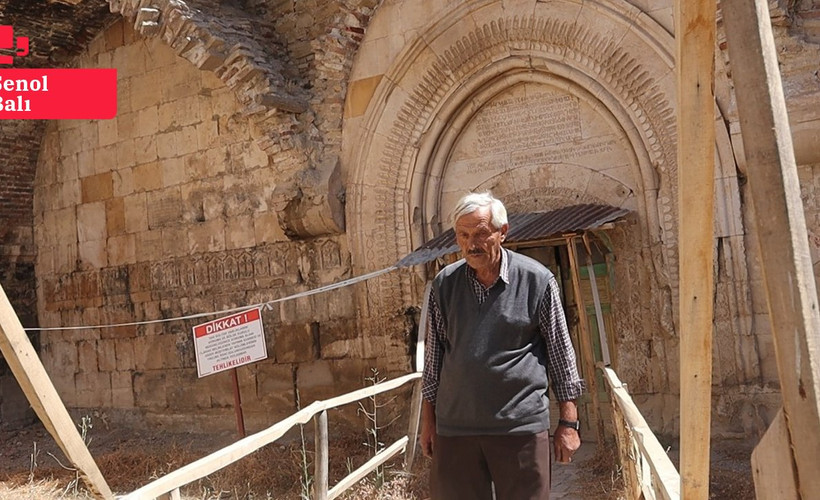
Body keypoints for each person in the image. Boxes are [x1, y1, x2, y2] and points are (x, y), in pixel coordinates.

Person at [420, 192, 585, 500]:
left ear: (502, 232)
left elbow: (562, 355)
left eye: (481, 234)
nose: (472, 244)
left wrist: (569, 422)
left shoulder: (537, 280)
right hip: (456, 430)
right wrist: (428, 423)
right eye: (463, 235)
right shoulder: (444, 285)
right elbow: (434, 362)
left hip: (519, 429)